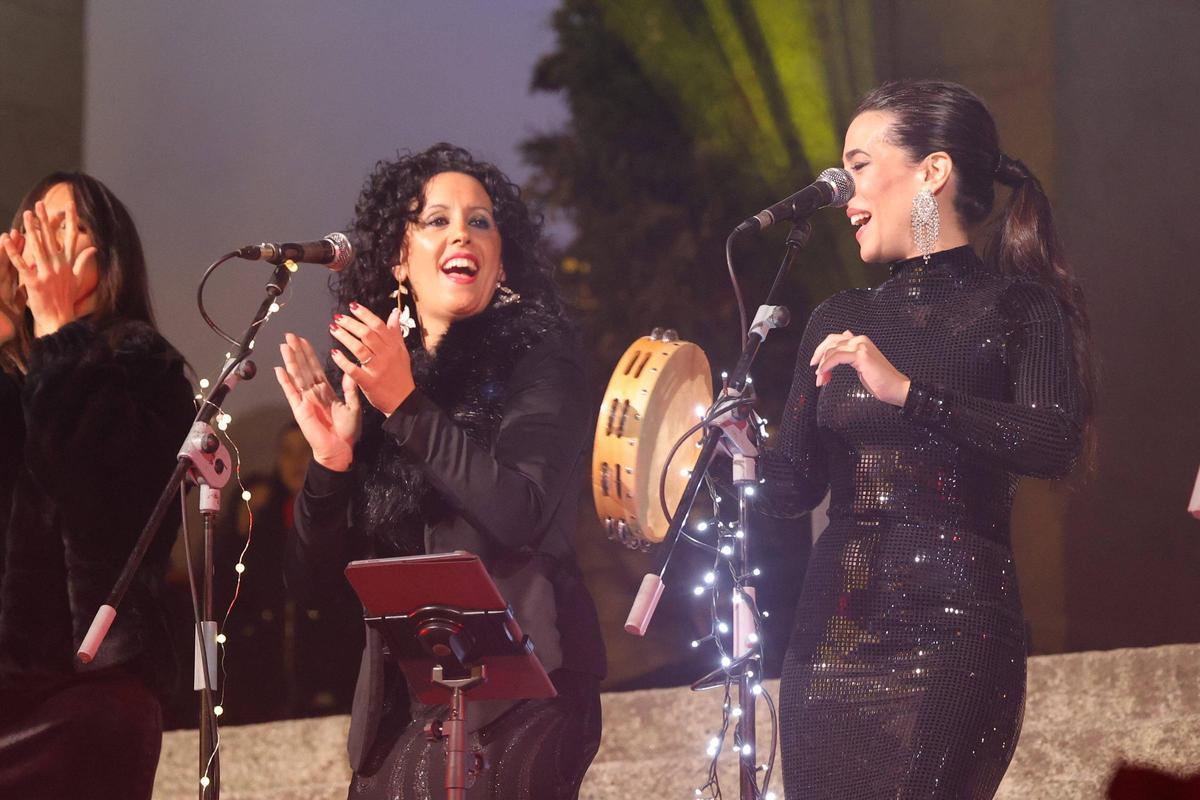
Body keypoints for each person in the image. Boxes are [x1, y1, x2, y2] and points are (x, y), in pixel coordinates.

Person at [759, 80, 1094, 798]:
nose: (844, 193)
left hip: (956, 631)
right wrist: (731, 445)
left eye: (858, 165)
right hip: (832, 635)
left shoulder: (1018, 307)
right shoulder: (836, 318)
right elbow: (792, 488)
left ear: (932, 171)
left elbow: (1052, 440)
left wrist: (909, 393)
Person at [276, 143, 606, 799]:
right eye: (437, 220)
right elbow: (313, 587)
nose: (462, 233)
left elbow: (519, 511)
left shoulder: (540, 361)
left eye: (480, 221)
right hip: (403, 707)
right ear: (398, 259)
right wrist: (331, 466)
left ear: (501, 260)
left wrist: (407, 407)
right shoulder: (374, 387)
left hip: (526, 692)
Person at [0, 172, 195, 799]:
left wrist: (58, 328)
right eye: (35, 226)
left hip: (85, 694)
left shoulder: (145, 365)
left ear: (107, 252)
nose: (46, 240)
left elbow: (99, 494)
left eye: (68, 225)